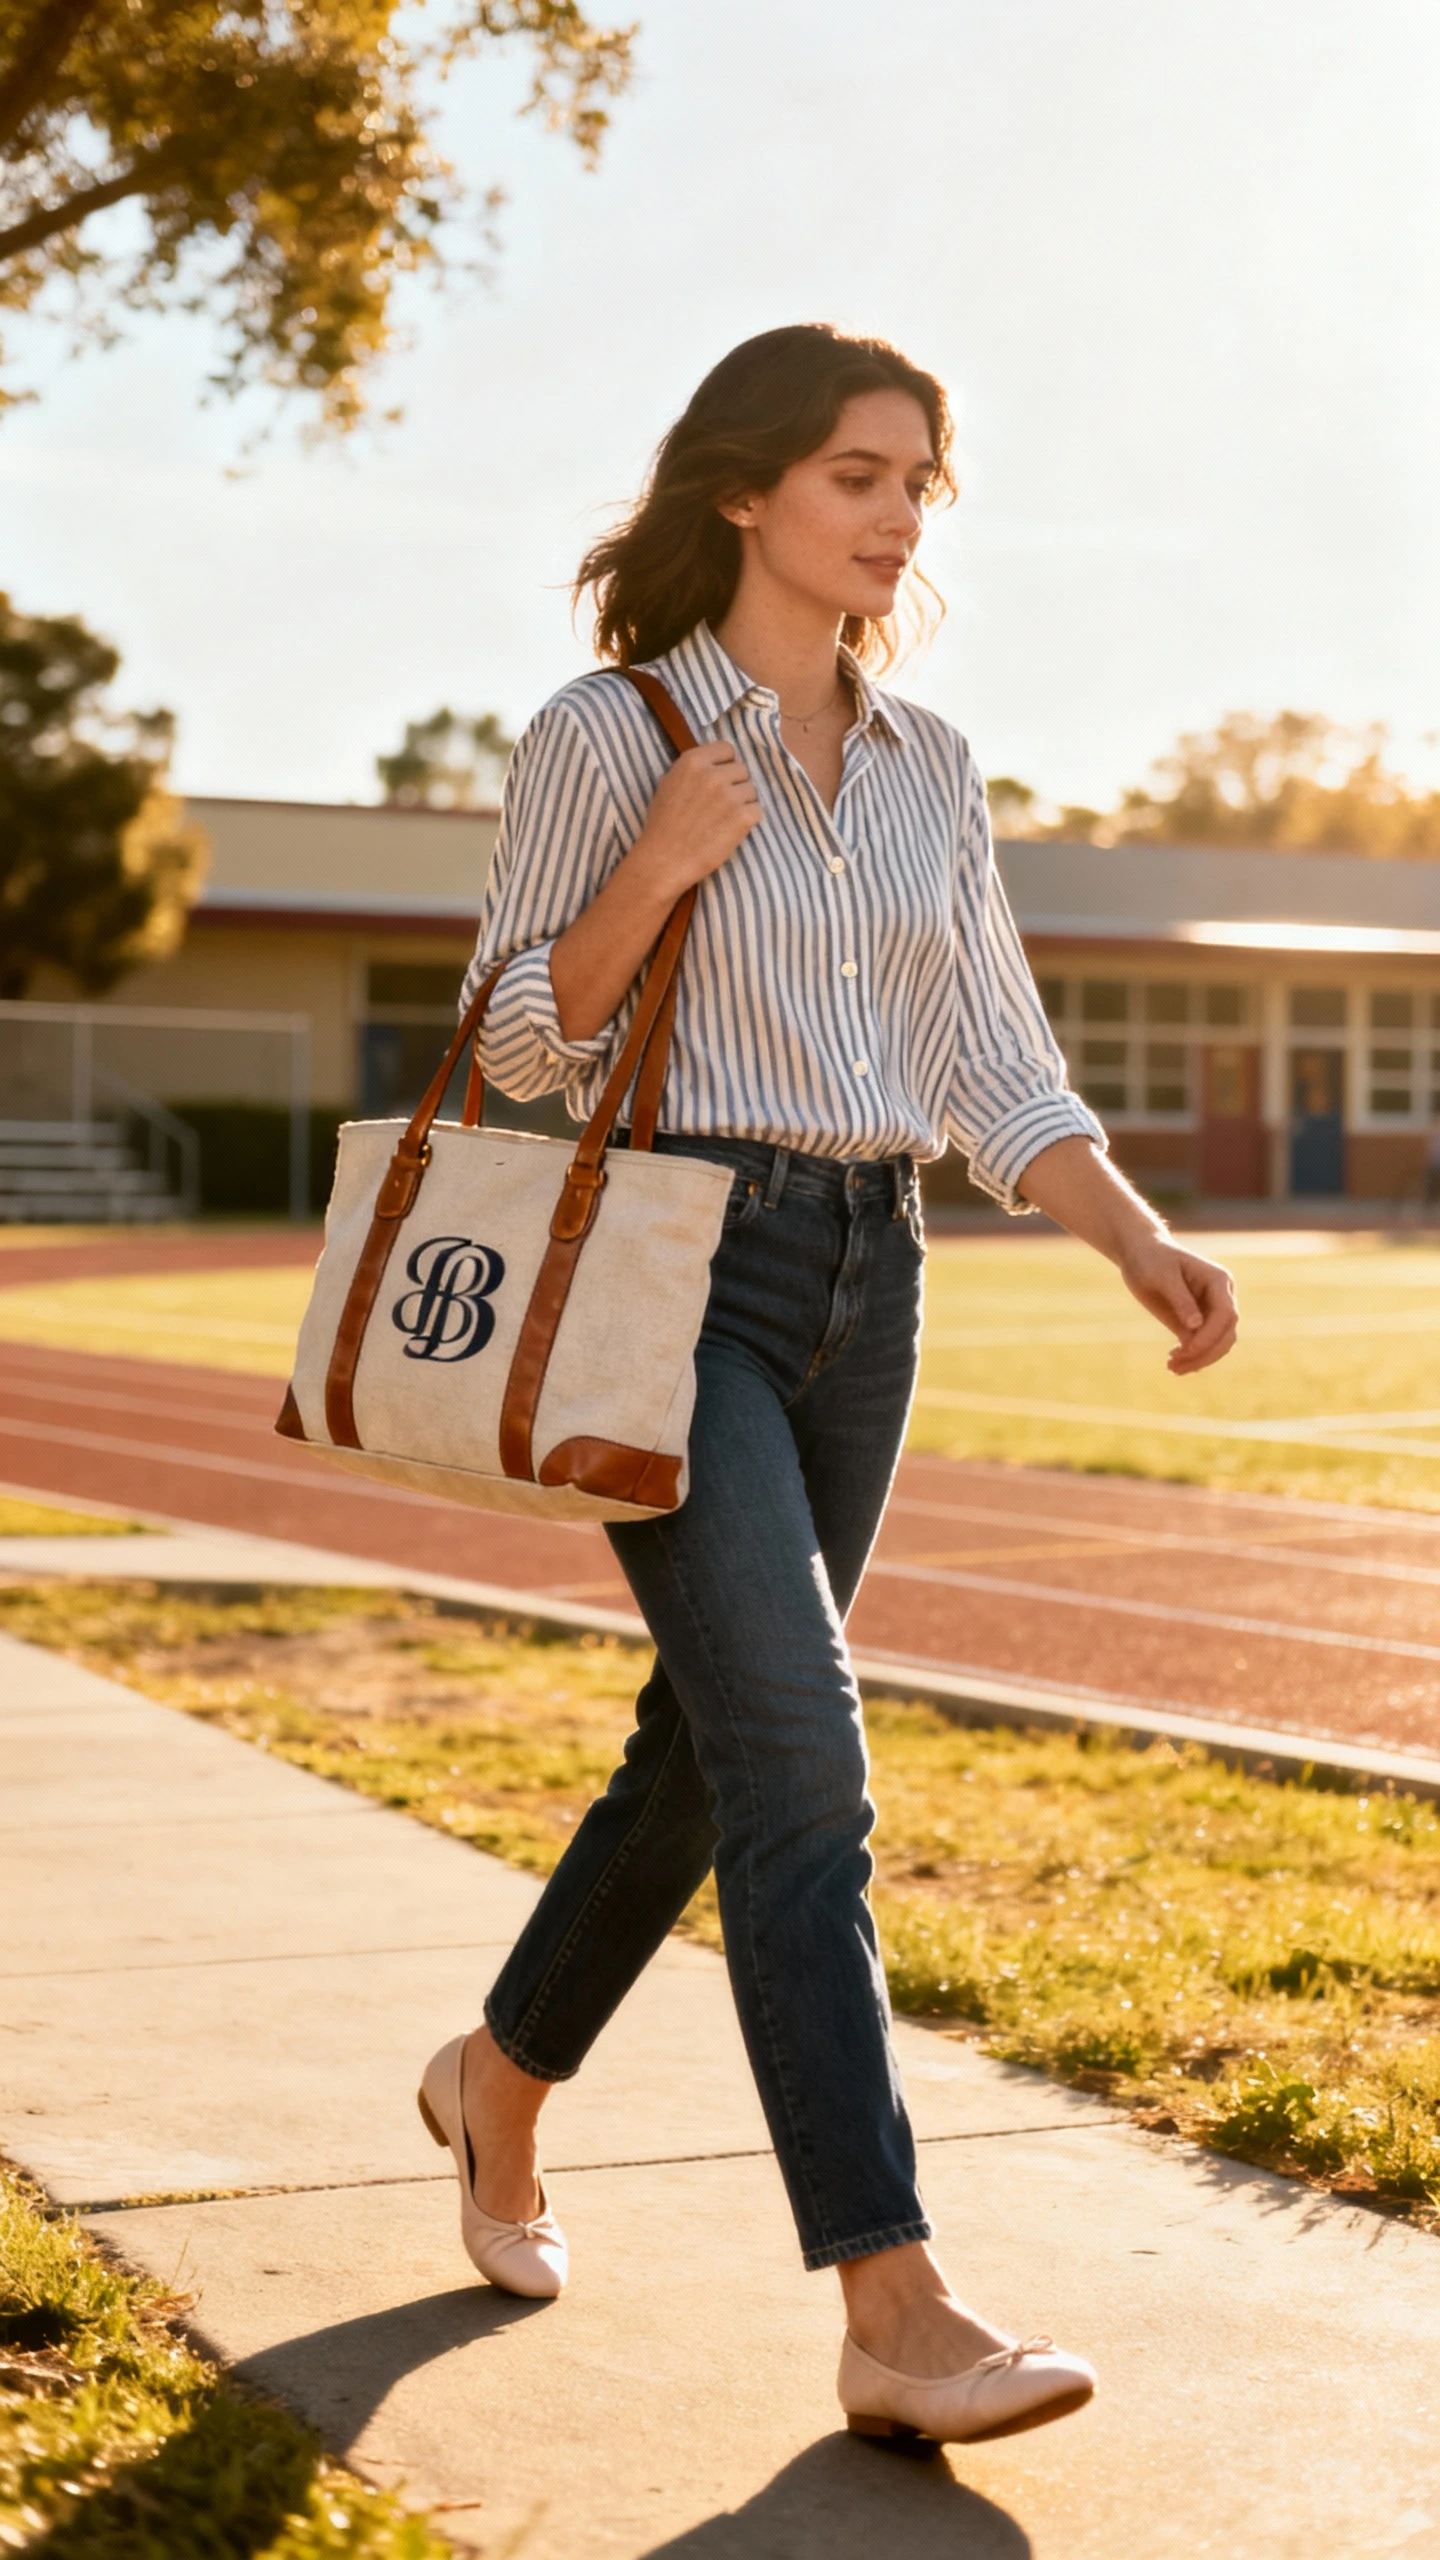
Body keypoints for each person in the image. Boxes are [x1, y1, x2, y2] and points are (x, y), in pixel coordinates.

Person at [419, 323, 1239, 2448]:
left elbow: (992, 1064)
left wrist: (1137, 1232)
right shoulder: (613, 731)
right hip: (676, 1268)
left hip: (874, 1277)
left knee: (709, 1755)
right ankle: (895, 2301)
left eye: (918, 483)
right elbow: (518, 1043)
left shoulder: (934, 763)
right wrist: (661, 862)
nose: (892, 515)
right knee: (807, 1771)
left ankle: (497, 2075)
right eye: (857, 474)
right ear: (744, 494)